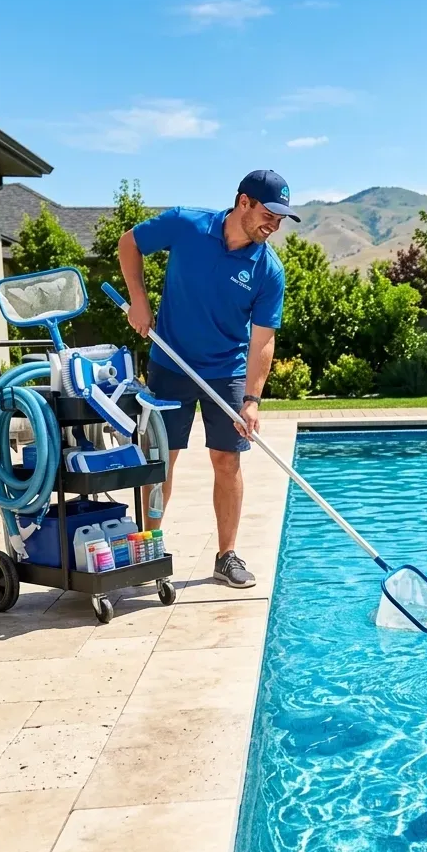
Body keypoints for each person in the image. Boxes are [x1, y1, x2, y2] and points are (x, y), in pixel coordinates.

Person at [118, 170, 299, 588]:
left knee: (227, 459)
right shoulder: (187, 224)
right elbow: (129, 242)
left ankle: (227, 556)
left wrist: (251, 399)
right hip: (170, 360)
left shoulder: (268, 270)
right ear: (244, 202)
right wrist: (139, 299)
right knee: (163, 457)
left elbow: (263, 342)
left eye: (281, 219)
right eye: (269, 214)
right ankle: (150, 543)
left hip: (227, 371)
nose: (273, 225)